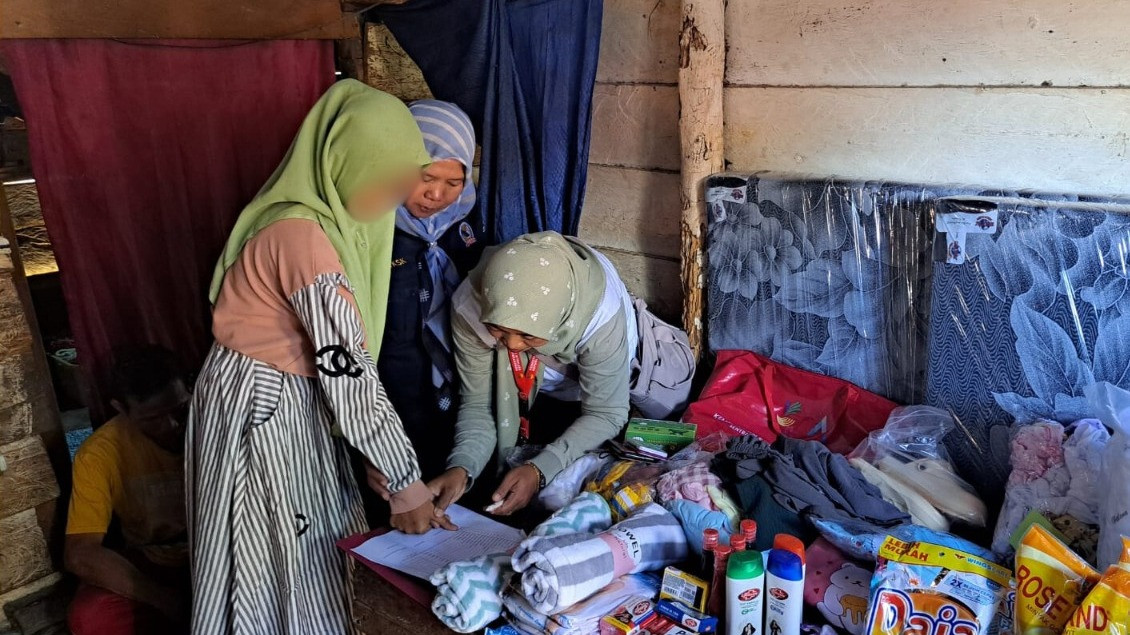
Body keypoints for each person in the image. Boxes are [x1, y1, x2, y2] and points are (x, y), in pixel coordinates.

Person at [188, 79, 448, 635]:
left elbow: (338, 366)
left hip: (288, 398)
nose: (396, 198)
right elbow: (347, 371)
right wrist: (406, 484)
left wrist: (376, 456)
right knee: (271, 548)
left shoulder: (328, 227)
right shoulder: (299, 237)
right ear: (344, 161)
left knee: (303, 544)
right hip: (262, 407)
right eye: (386, 181)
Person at [428, 231, 640, 517]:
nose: (513, 345)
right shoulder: (472, 307)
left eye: (527, 336)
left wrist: (540, 469)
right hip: (529, 386)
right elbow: (478, 404)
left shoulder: (601, 317)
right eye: (498, 329)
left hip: (586, 385)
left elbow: (606, 413)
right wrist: (462, 467)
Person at [376, 99, 482, 480]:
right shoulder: (374, 231)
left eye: (453, 182)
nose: (437, 196)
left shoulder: (465, 226)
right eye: (426, 177)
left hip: (458, 398)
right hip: (390, 403)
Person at [65, 345, 191, 635]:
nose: (172, 426)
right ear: (121, 409)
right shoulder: (99, 454)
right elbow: (80, 553)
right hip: (154, 565)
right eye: (152, 419)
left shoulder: (216, 422)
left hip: (226, 553)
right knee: (91, 617)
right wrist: (164, 600)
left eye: (180, 410)